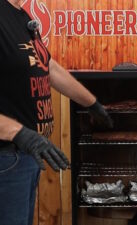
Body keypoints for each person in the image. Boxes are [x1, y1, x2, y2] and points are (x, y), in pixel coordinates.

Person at [0, 0, 113, 224]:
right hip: (5, 156)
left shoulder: (20, 17)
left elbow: (48, 66)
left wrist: (91, 103)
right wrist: (19, 133)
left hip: (24, 157)